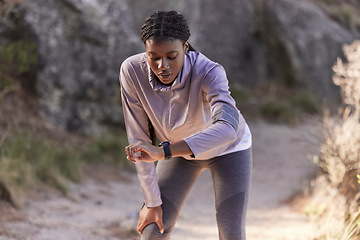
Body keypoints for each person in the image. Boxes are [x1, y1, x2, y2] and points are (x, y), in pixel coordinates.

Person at [119, 10, 252, 240]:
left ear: (186, 47)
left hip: (230, 150)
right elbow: (139, 141)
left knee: (231, 235)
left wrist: (164, 151)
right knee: (152, 232)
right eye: (154, 56)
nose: (162, 65)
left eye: (172, 56)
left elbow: (228, 128)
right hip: (179, 154)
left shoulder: (210, 72)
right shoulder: (132, 71)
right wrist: (152, 203)